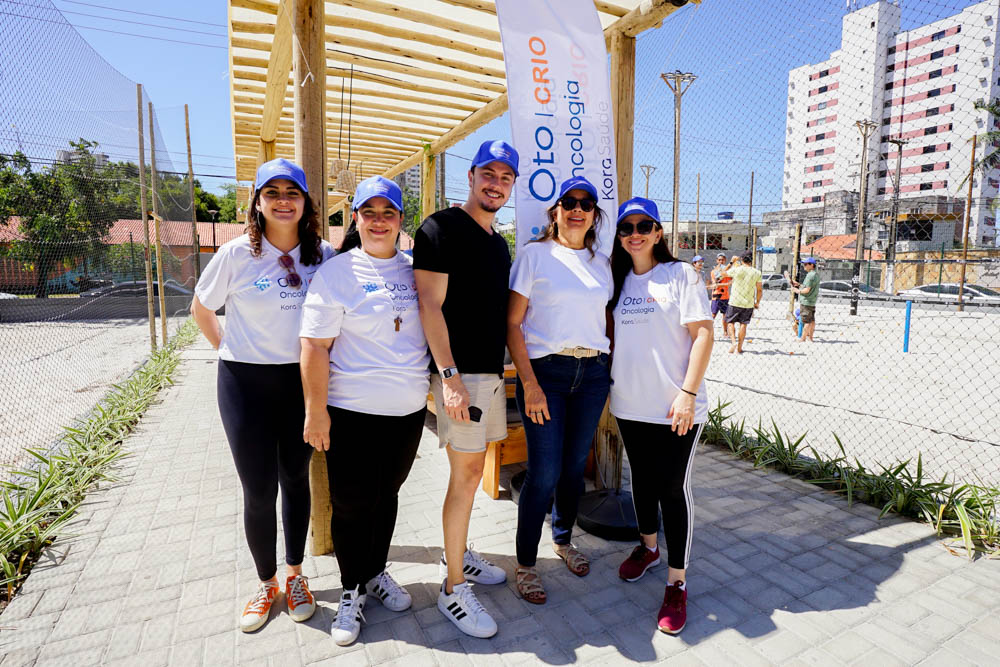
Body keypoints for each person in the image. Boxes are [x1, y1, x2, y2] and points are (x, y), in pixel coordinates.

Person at [190, 158, 334, 633]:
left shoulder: (324, 257)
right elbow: (201, 308)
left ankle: (295, 576)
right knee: (258, 489)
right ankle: (265, 583)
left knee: (295, 479)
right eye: (271, 193)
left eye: (291, 192)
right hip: (244, 385)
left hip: (299, 384)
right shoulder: (235, 255)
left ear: (306, 202)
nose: (282, 201)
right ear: (257, 202)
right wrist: (228, 348)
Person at [299, 176, 430, 646]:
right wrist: (316, 412)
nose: (379, 221)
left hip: (408, 411)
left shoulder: (417, 270)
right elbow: (314, 346)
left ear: (400, 221)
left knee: (388, 494)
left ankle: (376, 571)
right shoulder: (337, 273)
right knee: (353, 504)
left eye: (388, 212)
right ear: (354, 217)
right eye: (368, 212)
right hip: (352, 411)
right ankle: (352, 589)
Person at [413, 139, 518, 639]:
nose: (496, 183)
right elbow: (429, 306)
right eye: (488, 174)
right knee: (465, 475)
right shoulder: (440, 228)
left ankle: (463, 556)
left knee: (472, 475)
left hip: (489, 375)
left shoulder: (499, 243)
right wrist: (449, 376)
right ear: (472, 175)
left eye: (505, 177)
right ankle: (453, 588)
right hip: (462, 377)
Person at [608, 196, 713, 635]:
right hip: (630, 406)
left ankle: (677, 582)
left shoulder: (680, 275)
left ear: (658, 232)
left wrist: (688, 393)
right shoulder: (615, 281)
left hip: (675, 408)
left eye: (644, 225)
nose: (635, 233)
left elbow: (704, 334)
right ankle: (648, 549)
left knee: (673, 488)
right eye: (627, 227)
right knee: (643, 483)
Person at [506, 176, 613, 605]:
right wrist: (527, 382)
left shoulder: (601, 263)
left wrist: (610, 364)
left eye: (586, 204)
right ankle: (526, 564)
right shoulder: (535, 256)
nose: (577, 209)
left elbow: (605, 318)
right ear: (555, 212)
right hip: (545, 375)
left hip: (591, 375)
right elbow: (512, 323)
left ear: (594, 216)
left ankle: (564, 540)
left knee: (573, 468)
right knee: (544, 472)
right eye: (568, 201)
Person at [723, 252, 762, 354]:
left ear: (742, 259)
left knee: (730, 322)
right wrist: (757, 302)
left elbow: (722, 273)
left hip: (734, 301)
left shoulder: (736, 270)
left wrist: (732, 262)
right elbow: (759, 290)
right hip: (748, 303)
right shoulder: (757, 272)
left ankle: (733, 342)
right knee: (743, 324)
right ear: (751, 260)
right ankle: (739, 348)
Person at [791, 257, 820, 342]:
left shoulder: (810, 275)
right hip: (812, 301)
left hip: (806, 301)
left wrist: (797, 290)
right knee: (812, 320)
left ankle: (802, 338)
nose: (804, 266)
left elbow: (807, 290)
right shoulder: (816, 274)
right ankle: (810, 337)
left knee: (806, 321)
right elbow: (808, 287)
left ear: (812, 265)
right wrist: (799, 284)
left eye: (806, 264)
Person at [708, 253, 733, 341]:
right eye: (719, 260)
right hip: (717, 296)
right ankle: (708, 332)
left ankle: (725, 332)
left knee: (725, 316)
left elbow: (731, 281)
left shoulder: (728, 271)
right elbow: (715, 284)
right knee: (713, 315)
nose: (721, 261)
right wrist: (725, 283)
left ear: (725, 260)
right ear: (716, 260)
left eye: (722, 260)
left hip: (725, 296)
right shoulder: (714, 271)